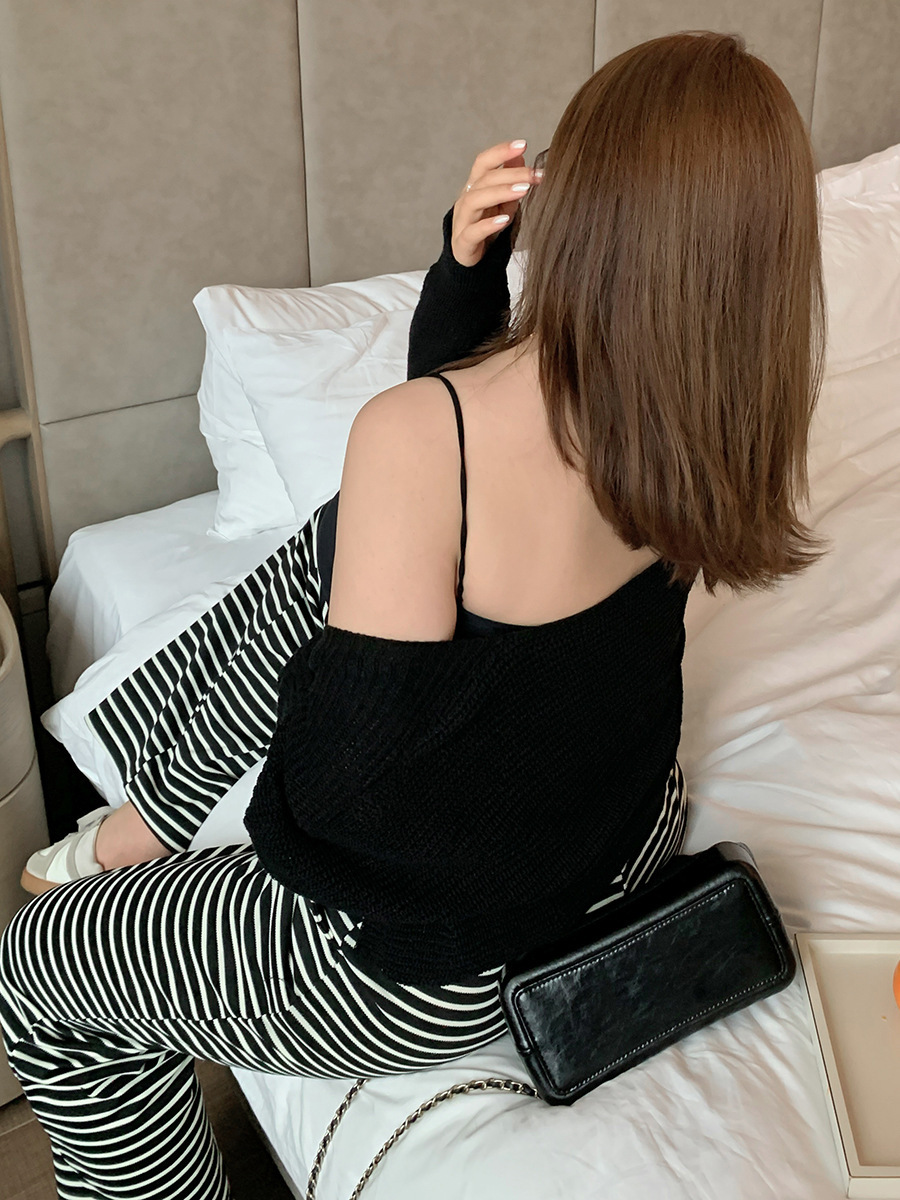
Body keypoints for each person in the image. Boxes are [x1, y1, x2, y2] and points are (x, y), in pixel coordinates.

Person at [0, 29, 825, 1200]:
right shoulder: (709, 419)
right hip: (620, 837)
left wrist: (315, 654)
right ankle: (149, 815)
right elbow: (473, 419)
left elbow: (341, 798)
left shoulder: (421, 439)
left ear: (577, 205)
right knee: (343, 537)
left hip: (421, 964)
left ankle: (146, 821)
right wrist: (464, 275)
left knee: (33, 968)